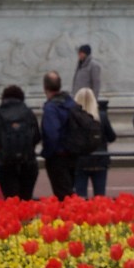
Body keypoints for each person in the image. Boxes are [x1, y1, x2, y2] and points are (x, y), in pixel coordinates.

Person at [0, 85, 39, 201]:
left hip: (5, 164)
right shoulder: (29, 113)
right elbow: (37, 138)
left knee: (11, 202)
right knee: (26, 201)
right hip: (28, 162)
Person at [39, 70, 81, 200]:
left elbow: (52, 134)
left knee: (62, 195)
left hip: (58, 157)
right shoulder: (71, 103)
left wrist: (48, 153)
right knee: (69, 191)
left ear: (45, 87)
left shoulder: (51, 108)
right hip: (73, 154)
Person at [73, 87, 116, 196]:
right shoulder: (101, 116)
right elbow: (112, 137)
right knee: (100, 198)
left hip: (80, 161)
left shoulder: (73, 117)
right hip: (99, 160)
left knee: (80, 198)